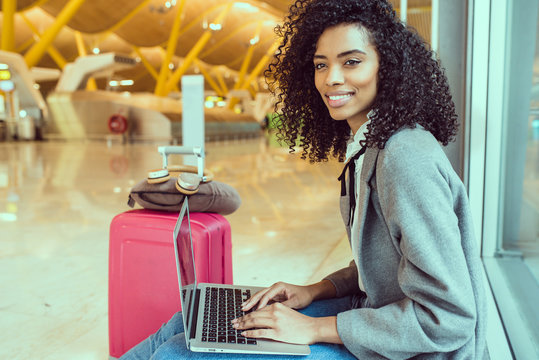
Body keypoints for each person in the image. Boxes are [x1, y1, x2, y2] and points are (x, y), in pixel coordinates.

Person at [120, 0, 488, 358]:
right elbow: (386, 266)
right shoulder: (370, 146)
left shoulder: (404, 157)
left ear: (387, 67)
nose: (332, 79)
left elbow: (449, 317)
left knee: (179, 352)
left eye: (352, 62)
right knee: (188, 319)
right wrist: (313, 291)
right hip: (375, 315)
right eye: (321, 65)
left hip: (408, 348)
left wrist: (313, 328)